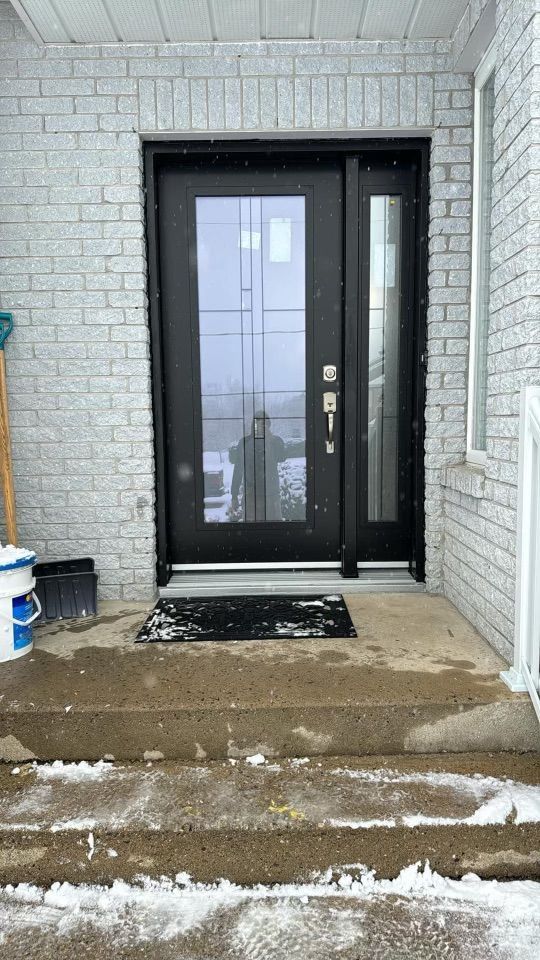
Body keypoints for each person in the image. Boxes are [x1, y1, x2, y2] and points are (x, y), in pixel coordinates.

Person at [229, 410, 286, 521]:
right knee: (251, 531)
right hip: (251, 496)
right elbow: (238, 469)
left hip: (272, 495)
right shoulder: (245, 443)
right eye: (258, 422)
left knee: (274, 530)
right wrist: (234, 495)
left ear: (269, 426)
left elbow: (282, 457)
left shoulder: (275, 441)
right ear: (253, 425)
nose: (261, 426)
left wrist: (270, 439)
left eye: (265, 423)